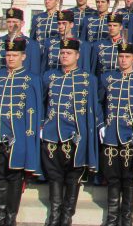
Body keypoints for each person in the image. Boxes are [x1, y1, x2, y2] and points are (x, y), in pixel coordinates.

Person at [40, 38, 101, 226]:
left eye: (68, 53)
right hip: (51, 134)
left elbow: (94, 106)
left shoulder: (88, 79)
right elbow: (41, 103)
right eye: (62, 53)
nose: (64, 56)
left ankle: (67, 216)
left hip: (75, 136)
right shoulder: (49, 77)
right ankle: (54, 215)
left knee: (73, 176)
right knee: (54, 176)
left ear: (77, 56)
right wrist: (42, 125)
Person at [0, 38, 42, 226]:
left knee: (15, 175)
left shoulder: (31, 79)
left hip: (18, 136)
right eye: (8, 55)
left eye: (14, 55)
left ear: (23, 56)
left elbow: (34, 111)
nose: (10, 58)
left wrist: (30, 136)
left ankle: (11, 216)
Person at [98, 42, 133, 226]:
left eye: (127, 57)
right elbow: (98, 103)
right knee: (113, 178)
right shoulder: (107, 78)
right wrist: (101, 125)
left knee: (129, 179)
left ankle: (127, 219)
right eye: (121, 57)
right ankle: (112, 218)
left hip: (132, 137)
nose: (123, 60)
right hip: (112, 136)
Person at [0, 7, 41, 74]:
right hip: (0, 82)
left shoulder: (32, 44)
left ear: (22, 23)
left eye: (15, 22)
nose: (11, 25)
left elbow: (35, 71)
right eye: (9, 22)